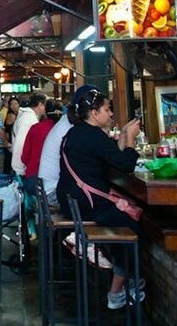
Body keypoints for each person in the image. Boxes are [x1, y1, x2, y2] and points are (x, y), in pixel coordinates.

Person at [57, 89, 144, 310]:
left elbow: (112, 159)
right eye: (107, 109)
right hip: (89, 205)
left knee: (120, 226)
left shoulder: (75, 133)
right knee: (133, 229)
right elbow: (125, 165)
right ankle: (117, 291)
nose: (111, 114)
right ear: (95, 113)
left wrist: (124, 137)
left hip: (74, 203)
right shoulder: (93, 135)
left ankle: (124, 279)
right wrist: (131, 138)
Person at [38, 85, 98, 207]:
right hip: (53, 193)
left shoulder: (68, 122)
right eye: (105, 109)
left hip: (49, 188)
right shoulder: (72, 129)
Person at [20, 99, 60, 195]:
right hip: (56, 180)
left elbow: (24, 156)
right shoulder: (64, 130)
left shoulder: (36, 128)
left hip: (32, 178)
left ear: (45, 112)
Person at [10, 92, 47, 176]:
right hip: (22, 169)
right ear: (40, 105)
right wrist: (20, 169)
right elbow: (21, 143)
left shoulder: (28, 117)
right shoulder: (28, 119)